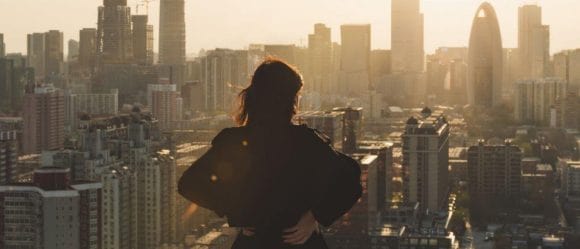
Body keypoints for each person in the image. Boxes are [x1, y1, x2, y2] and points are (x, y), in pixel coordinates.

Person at [178, 58, 362, 249]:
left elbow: (190, 184)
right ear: (290, 99)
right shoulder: (306, 141)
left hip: (254, 242)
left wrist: (237, 211)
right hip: (300, 242)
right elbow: (351, 180)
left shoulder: (232, 142)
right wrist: (315, 215)